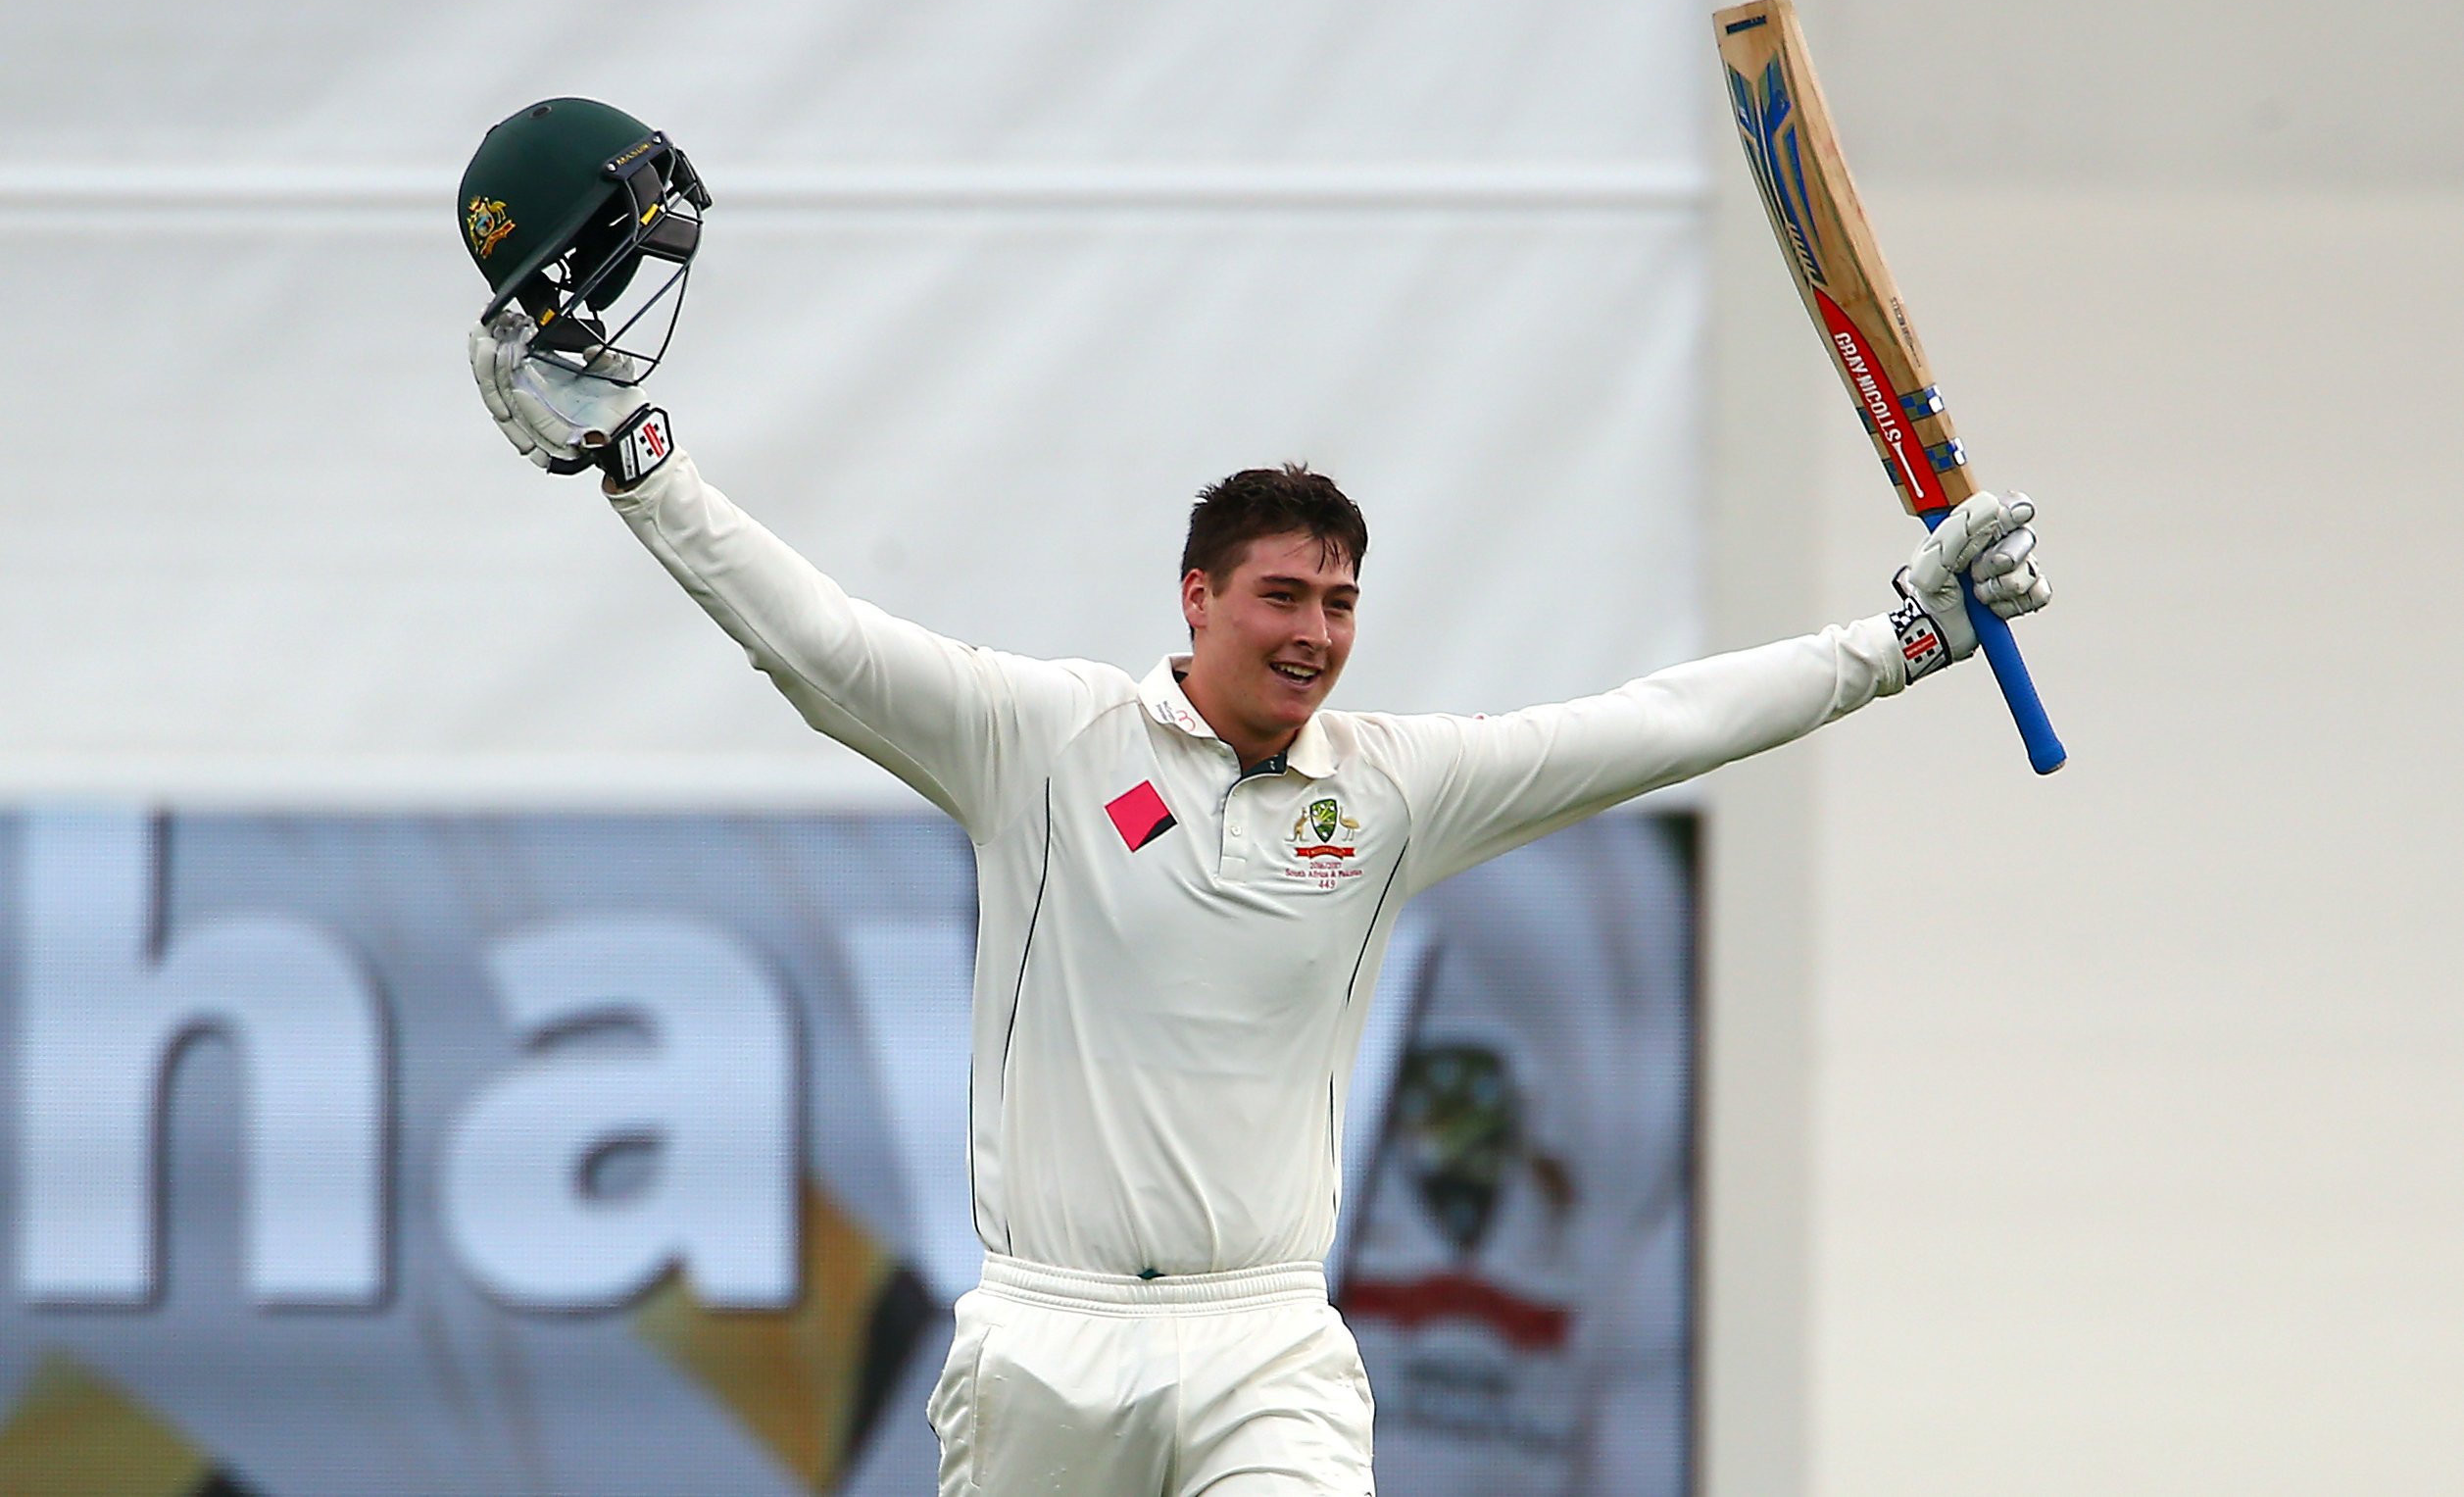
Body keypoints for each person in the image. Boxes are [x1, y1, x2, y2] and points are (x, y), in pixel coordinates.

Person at [460, 104, 2048, 1497]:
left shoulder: (1392, 793)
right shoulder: (1045, 743)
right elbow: (818, 646)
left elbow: (1649, 726)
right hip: (1047, 1333)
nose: (1314, 633)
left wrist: (1900, 640)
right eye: (1282, 595)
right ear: (1197, 598)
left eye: (1341, 603)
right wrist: (645, 471)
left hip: (1263, 1337)